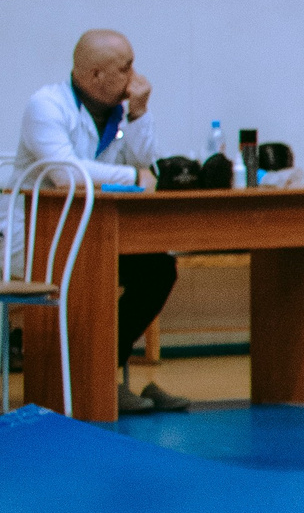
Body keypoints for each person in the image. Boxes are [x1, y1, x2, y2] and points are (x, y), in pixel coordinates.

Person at [11, 30, 187, 415]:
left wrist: (139, 114)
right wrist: (133, 176)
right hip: (40, 241)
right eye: (125, 69)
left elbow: (151, 166)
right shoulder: (47, 105)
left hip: (95, 238)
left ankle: (103, 372)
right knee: (89, 277)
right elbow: (66, 174)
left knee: (158, 269)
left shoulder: (120, 112)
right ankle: (80, 380)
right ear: (95, 76)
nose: (135, 78)